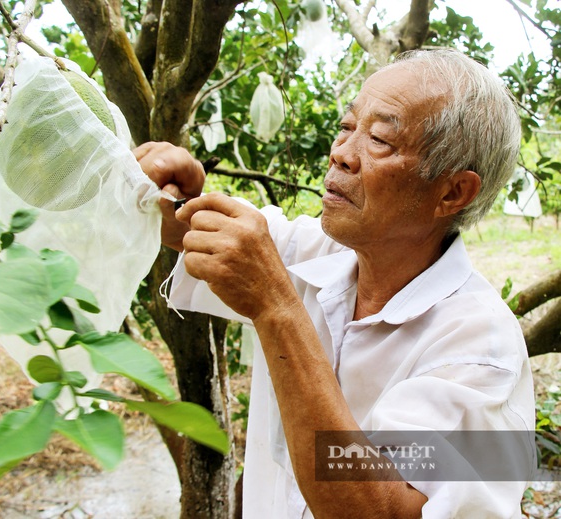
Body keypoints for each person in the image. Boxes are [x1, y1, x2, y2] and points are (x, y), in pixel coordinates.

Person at [134, 48, 535, 519]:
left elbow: (381, 511)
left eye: (380, 139)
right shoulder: (312, 255)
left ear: (452, 191)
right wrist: (169, 186)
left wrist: (276, 309)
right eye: (347, 128)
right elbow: (189, 228)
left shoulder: (479, 351)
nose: (342, 154)